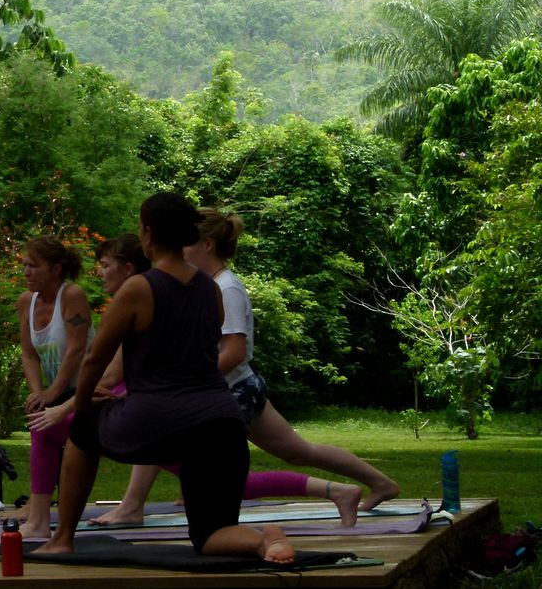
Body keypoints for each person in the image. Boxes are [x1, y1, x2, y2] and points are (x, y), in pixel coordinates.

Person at [32, 193, 295, 564]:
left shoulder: (140, 288)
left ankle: (62, 539)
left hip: (159, 418)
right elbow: (207, 338)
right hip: (222, 422)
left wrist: (85, 398)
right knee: (210, 536)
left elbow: (94, 357)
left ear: (148, 233)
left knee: (82, 431)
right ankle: (262, 540)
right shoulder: (210, 287)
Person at [37, 235, 364, 530]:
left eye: (105, 265)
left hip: (210, 399)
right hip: (189, 404)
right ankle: (345, 488)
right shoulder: (189, 289)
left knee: (229, 479)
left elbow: (107, 372)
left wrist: (64, 405)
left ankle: (63, 523)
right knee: (266, 463)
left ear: (128, 268)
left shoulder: (204, 289)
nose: (100, 272)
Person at [187, 208, 398, 510]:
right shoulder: (211, 285)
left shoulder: (226, 288)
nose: (178, 251)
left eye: (184, 242)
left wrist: (190, 377)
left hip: (234, 391)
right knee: (299, 451)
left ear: (206, 244)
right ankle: (381, 483)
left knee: (185, 448)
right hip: (241, 385)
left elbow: (233, 352)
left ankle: (141, 504)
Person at [13, 236, 92, 539]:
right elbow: (29, 353)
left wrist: (51, 393)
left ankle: (38, 517)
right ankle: (39, 518)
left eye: (34, 265)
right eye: (24, 265)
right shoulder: (26, 302)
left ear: (56, 268)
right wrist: (37, 392)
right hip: (62, 394)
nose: (26, 271)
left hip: (91, 392)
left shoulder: (72, 295)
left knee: (184, 466)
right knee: (41, 427)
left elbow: (76, 349)